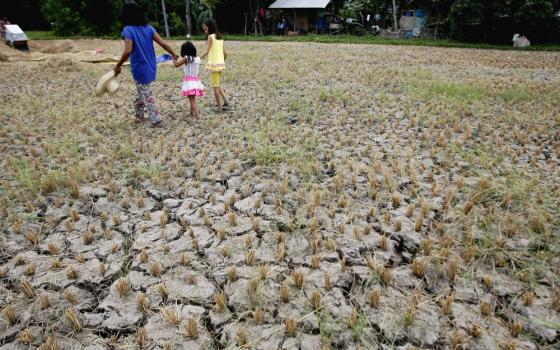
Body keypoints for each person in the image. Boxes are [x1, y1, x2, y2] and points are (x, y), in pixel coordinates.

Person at [114, 1, 178, 127]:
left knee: (146, 93)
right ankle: (139, 116)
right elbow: (163, 43)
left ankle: (156, 120)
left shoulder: (128, 30)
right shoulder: (148, 28)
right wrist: (174, 54)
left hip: (139, 67)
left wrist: (118, 65)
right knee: (141, 92)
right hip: (151, 65)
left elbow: (127, 50)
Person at [200, 20, 230, 113]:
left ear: (210, 27)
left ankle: (219, 107)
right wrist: (221, 61)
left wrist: (196, 59)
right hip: (220, 65)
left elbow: (206, 51)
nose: (205, 31)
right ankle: (226, 101)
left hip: (214, 66)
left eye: (205, 29)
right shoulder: (220, 38)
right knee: (217, 84)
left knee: (215, 86)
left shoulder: (210, 37)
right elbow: (226, 53)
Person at [173, 41, 204, 118]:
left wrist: (174, 58)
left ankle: (197, 116)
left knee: (191, 99)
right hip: (196, 81)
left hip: (189, 82)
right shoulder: (197, 59)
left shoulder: (186, 58)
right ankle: (191, 113)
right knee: (192, 98)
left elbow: (176, 65)